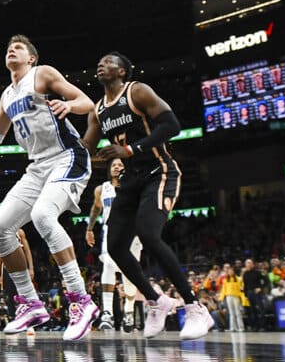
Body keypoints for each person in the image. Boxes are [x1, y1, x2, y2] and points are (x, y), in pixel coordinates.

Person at [0, 35, 97, 341]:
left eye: (18, 48)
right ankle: (30, 302)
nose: (11, 50)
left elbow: (87, 103)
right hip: (37, 167)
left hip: (67, 156)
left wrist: (68, 105)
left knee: (45, 216)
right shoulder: (6, 95)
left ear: (31, 58)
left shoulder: (42, 73)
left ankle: (81, 300)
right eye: (8, 48)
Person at [82, 52, 212, 340]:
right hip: (130, 181)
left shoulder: (137, 91)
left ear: (123, 71)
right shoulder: (98, 109)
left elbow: (172, 126)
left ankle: (195, 308)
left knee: (149, 234)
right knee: (114, 247)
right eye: (99, 61)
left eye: (109, 61)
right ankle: (157, 301)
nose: (101, 64)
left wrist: (130, 150)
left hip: (159, 171)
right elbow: (86, 148)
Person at [86, 158, 142, 332]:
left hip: (133, 234)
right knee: (108, 265)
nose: (117, 167)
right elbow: (96, 208)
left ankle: (129, 311)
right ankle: (107, 313)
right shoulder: (102, 189)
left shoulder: (134, 186)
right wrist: (90, 228)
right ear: (109, 169)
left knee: (129, 276)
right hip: (110, 231)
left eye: (120, 165)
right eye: (114, 165)